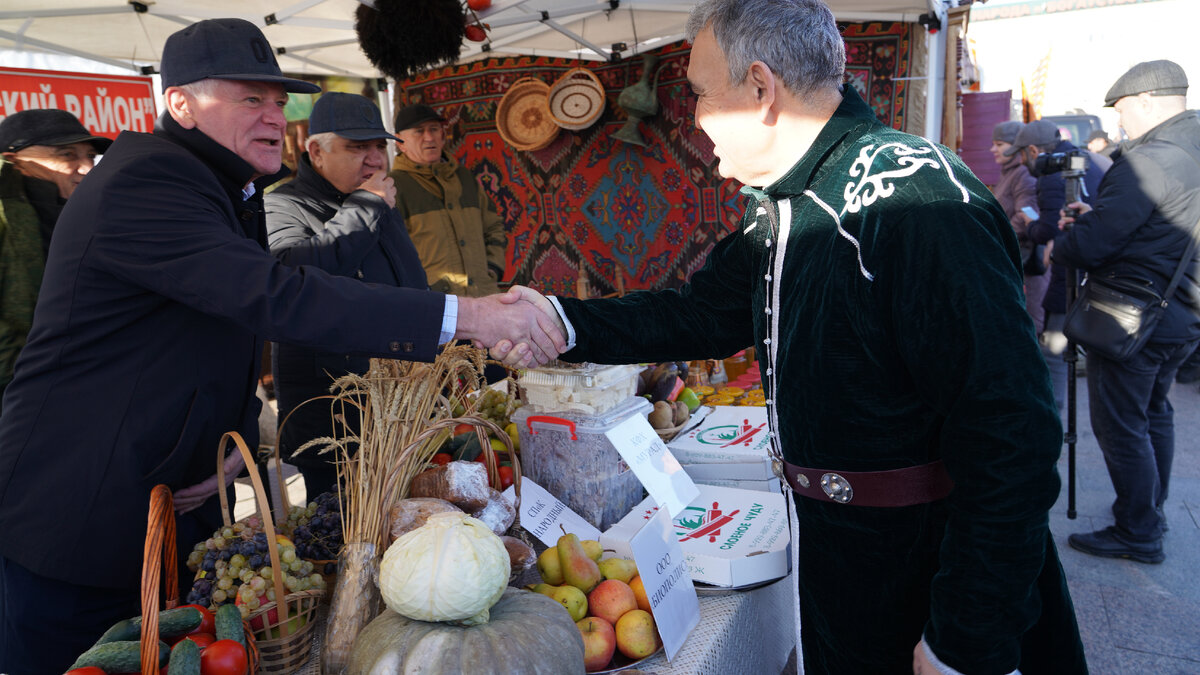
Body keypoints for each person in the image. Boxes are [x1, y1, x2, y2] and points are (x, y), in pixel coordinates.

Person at [495, 1, 1086, 672]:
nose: (693, 115)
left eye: (699, 93)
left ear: (759, 89)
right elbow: (701, 313)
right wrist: (556, 320)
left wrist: (963, 639)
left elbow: (1013, 433)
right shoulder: (783, 203)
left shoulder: (916, 199)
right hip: (839, 559)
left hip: (920, 570)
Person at [0, 18, 562, 675]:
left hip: (167, 498)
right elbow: (276, 295)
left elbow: (228, 330)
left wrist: (232, 442)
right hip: (80, 512)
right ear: (178, 102)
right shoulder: (145, 182)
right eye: (248, 99)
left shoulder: (217, 183)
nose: (273, 115)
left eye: (277, 100)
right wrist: (463, 313)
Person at [1055, 59, 1200, 564]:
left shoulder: (1152, 159)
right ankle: (1149, 510)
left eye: (1121, 110)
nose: (1119, 123)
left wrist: (1065, 241)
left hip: (1135, 316)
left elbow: (1093, 246)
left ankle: (1138, 529)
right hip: (1180, 311)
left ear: (1145, 100)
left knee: (1121, 425)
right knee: (1154, 413)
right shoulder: (1191, 149)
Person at [266, 92, 429, 499]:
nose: (374, 158)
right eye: (357, 147)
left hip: (399, 409)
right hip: (333, 421)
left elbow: (407, 285)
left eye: (379, 146)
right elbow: (295, 278)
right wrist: (365, 207)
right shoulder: (282, 204)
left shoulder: (378, 200)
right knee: (342, 542)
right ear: (316, 152)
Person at [0, 109, 110, 409]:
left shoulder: (88, 216)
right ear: (16, 161)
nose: (87, 167)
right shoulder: (8, 219)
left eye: (90, 156)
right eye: (66, 155)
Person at [1007, 118, 1107, 413]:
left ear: (1034, 150)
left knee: (1054, 351)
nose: (1022, 160)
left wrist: (1032, 225)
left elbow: (1052, 228)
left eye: (1022, 154)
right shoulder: (1091, 162)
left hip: (1069, 272)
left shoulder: (1054, 175)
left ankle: (1052, 416)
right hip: (1089, 269)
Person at [389, 103, 507, 297]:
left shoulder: (464, 177)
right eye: (419, 131)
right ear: (400, 142)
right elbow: (393, 253)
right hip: (437, 305)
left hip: (484, 295)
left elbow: (493, 225)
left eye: (434, 129)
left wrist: (492, 269)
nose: (429, 137)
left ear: (443, 136)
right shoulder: (394, 187)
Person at [990, 119, 1048, 331]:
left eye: (999, 144)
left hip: (1026, 256)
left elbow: (1026, 213)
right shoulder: (1009, 172)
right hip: (1015, 254)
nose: (993, 149)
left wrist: (1000, 237)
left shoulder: (1023, 174)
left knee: (1033, 316)